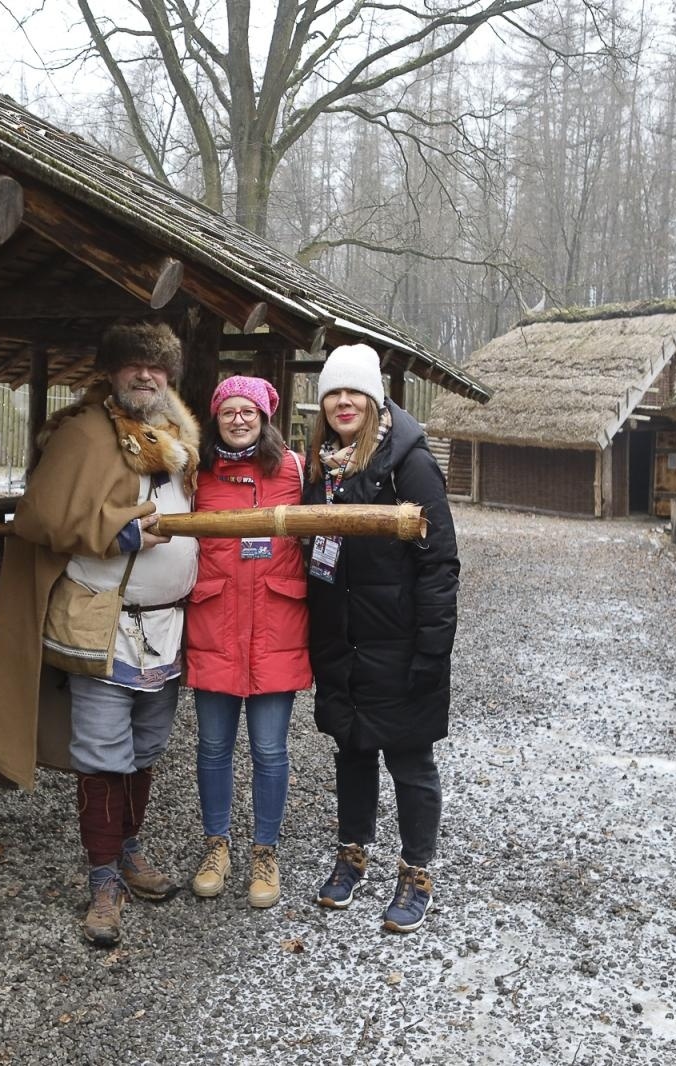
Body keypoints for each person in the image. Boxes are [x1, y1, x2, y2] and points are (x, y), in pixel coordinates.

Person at [0, 320, 200, 948]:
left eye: (156, 368)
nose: (144, 376)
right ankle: (103, 880)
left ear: (168, 377)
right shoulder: (82, 434)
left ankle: (129, 853)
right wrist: (121, 526)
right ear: (110, 372)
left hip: (165, 627)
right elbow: (42, 517)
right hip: (99, 622)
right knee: (105, 754)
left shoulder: (176, 438)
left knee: (147, 749)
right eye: (132, 366)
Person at [302, 343, 459, 933]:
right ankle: (352, 854)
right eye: (333, 394)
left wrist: (431, 650)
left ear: (375, 397)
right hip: (343, 638)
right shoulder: (323, 465)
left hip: (399, 639)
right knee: (353, 748)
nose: (343, 402)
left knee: (411, 759)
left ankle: (417, 870)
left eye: (354, 392)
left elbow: (439, 561)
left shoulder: (409, 462)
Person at [184, 376, 312, 909]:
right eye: (229, 410)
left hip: (276, 626)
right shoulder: (198, 475)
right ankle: (217, 844)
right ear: (216, 417)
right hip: (215, 623)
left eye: (249, 411)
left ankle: (265, 850)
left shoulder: (295, 470)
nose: (239, 419)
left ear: (266, 416)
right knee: (213, 747)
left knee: (269, 749)